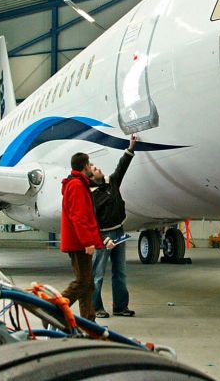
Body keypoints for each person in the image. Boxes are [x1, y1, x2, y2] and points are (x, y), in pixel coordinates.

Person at [90, 135, 138, 318]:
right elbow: (92, 223)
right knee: (98, 274)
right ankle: (96, 307)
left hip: (119, 232)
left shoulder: (112, 182)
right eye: (95, 169)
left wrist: (131, 147)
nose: (98, 169)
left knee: (120, 272)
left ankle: (120, 307)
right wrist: (103, 240)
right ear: (91, 178)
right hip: (104, 236)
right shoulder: (91, 195)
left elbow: (122, 167)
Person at [60, 152, 103, 321]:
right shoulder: (77, 185)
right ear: (85, 165)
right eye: (89, 164)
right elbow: (79, 216)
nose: (91, 166)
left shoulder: (78, 184)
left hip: (79, 242)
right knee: (84, 283)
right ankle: (56, 305)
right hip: (79, 243)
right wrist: (87, 242)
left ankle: (88, 321)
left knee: (87, 284)